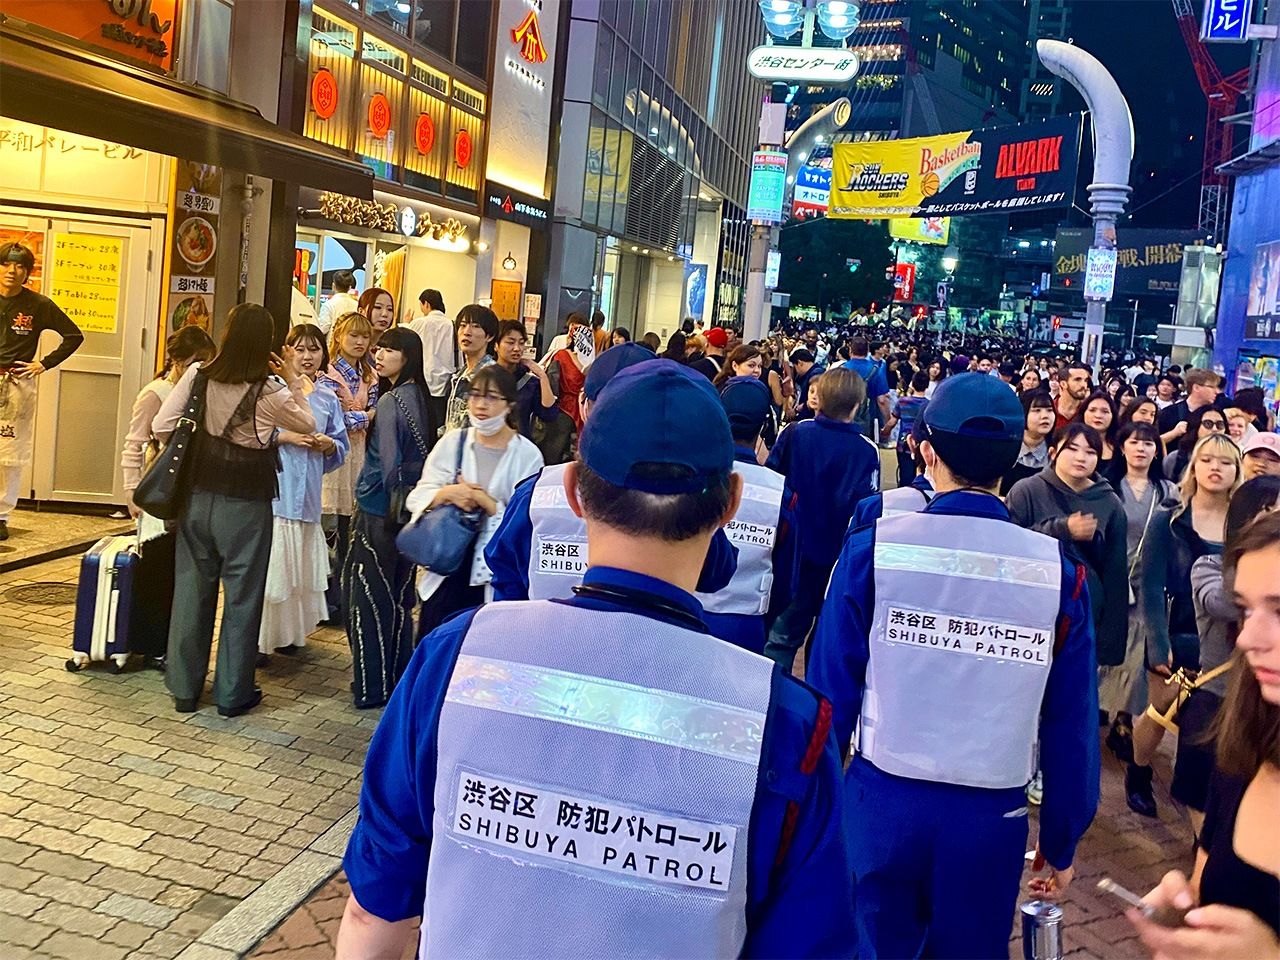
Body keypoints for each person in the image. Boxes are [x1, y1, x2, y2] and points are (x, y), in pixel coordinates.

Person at [336, 359, 856, 960]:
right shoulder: (787, 725)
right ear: (730, 503)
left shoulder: (455, 659)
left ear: (576, 492)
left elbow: (372, 911)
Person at [808, 372, 1099, 959]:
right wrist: (1061, 837)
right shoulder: (1058, 573)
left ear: (926, 450)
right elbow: (1071, 724)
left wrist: (817, 808)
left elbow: (828, 693)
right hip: (991, 812)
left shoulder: (876, 548)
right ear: (1015, 455)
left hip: (881, 796)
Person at [483, 344, 740, 629]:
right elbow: (718, 573)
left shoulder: (534, 493)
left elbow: (505, 580)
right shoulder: (692, 497)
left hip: (538, 652)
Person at [1127, 512, 1280, 960]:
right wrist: (1187, 910)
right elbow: (1206, 880)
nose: (1248, 637)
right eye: (1246, 609)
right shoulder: (1244, 753)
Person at [153, 303, 318, 716]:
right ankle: (231, 694)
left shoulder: (198, 375)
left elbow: (160, 425)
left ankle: (184, 689)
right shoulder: (270, 389)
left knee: (191, 593)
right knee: (242, 600)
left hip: (197, 499)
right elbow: (309, 424)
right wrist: (294, 380)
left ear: (225, 335)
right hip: (246, 506)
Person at [1127, 432, 1242, 817]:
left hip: (1225, 641)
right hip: (1176, 629)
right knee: (1160, 712)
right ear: (1195, 466)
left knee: (1210, 724)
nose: (1216, 468)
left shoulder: (1243, 524)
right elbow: (1150, 583)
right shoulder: (1169, 519)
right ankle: (1138, 772)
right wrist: (1158, 641)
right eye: (1208, 460)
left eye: (1225, 462)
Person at [407, 364, 543, 639]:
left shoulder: (527, 456)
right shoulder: (453, 443)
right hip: (447, 567)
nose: (481, 405)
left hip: (493, 576)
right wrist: (449, 493)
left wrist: (485, 501)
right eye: (475, 395)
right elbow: (418, 496)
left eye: (492, 397)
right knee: (436, 645)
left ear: (510, 404)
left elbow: (527, 522)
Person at [1177, 477, 1280, 828]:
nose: (1249, 638)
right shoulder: (1209, 566)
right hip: (1216, 695)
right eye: (1268, 512)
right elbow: (1220, 602)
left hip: (1259, 707)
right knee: (1208, 813)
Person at [343, 327, 437, 709]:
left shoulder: (390, 400)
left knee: (366, 597)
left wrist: (381, 495)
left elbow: (388, 465)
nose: (379, 355)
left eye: (390, 350)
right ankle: (396, 678)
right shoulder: (422, 397)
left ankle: (370, 686)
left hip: (378, 509)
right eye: (379, 349)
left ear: (408, 356)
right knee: (398, 599)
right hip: (409, 512)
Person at [763, 368, 880, 673]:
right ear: (858, 405)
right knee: (827, 641)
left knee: (781, 638)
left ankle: (769, 700)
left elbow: (773, 483)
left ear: (819, 398)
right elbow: (867, 510)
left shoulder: (795, 433)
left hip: (791, 554)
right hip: (839, 561)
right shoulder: (867, 451)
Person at [120, 326, 216, 668]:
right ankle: (150, 644)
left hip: (187, 492)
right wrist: (132, 492)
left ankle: (167, 643)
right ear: (176, 360)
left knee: (178, 571)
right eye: (194, 361)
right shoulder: (156, 392)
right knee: (157, 569)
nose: (199, 368)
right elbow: (133, 444)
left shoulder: (199, 391)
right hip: (159, 491)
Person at [258, 325, 349, 659]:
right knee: (273, 572)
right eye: (301, 349)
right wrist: (284, 437)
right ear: (287, 351)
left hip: (308, 494)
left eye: (315, 350)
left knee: (297, 575)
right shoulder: (271, 390)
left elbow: (340, 446)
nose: (308, 356)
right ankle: (260, 641)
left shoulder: (326, 397)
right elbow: (253, 434)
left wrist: (328, 445)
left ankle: (291, 635)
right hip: (276, 493)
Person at [1007, 423, 1129, 669]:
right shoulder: (1027, 491)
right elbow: (1009, 548)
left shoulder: (1109, 502)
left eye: (1091, 452)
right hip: (1031, 615)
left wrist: (1111, 643)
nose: (1081, 457)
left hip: (1085, 619)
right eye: (1072, 449)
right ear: (1053, 453)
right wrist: (1061, 530)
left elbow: (1116, 574)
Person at [1097, 422, 1178, 764]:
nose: (1142, 449)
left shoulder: (1169, 490)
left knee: (1138, 652)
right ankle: (1104, 708)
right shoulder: (1108, 488)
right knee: (1113, 650)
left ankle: (1124, 720)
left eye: (1148, 444)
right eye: (1135, 442)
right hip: (1115, 580)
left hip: (1151, 585)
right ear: (1122, 447)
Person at [695, 376, 794, 655]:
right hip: (746, 623)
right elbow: (786, 580)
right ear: (765, 426)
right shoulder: (781, 492)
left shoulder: (692, 473)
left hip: (683, 611)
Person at [0, 242, 85, 542]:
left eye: (20, 266)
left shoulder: (38, 305)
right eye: (7, 264)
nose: (12, 271)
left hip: (15, 384)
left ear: (27, 272)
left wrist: (43, 364)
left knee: (9, 453)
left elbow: (74, 335)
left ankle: (1, 515)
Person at [321, 311, 379, 624]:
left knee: (350, 531)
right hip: (335, 458)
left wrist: (365, 416)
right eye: (352, 335)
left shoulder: (371, 374)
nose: (359, 341)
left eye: (364, 336)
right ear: (339, 337)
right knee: (329, 528)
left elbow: (375, 410)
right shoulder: (328, 374)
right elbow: (335, 420)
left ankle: (344, 601)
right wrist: (366, 416)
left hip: (361, 457)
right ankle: (327, 604)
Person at [493, 320, 556, 441]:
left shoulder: (529, 382)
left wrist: (542, 376)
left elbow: (549, 415)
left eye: (521, 343)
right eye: (510, 342)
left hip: (519, 447)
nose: (517, 348)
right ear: (496, 345)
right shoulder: (486, 377)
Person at [444, 304, 498, 433]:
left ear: (489, 336)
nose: (467, 332)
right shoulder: (459, 376)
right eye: (462, 325)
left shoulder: (492, 376)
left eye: (475, 326)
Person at [406, 289, 455, 430]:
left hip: (423, 383)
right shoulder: (452, 325)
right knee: (440, 426)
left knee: (421, 426)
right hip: (445, 385)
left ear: (426, 304)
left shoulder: (419, 323)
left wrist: (407, 323)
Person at [1000, 390, 1056, 495]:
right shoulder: (1005, 450)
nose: (1045, 416)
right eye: (1037, 410)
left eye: (1049, 410)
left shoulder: (1057, 452)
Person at [841, 337, 896, 440]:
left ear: (850, 350)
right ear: (867, 351)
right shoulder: (876, 370)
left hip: (843, 416)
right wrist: (888, 422)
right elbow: (882, 400)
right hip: (867, 416)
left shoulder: (842, 369)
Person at [1158, 367, 1223, 447]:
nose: (1217, 391)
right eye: (1212, 387)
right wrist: (1174, 433)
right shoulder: (1169, 413)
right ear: (1196, 388)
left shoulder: (1217, 414)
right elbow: (1153, 443)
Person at [1164, 406, 1228, 484]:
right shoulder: (1175, 458)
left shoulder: (1231, 458)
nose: (1215, 429)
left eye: (1220, 424)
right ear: (1196, 427)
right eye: (1208, 424)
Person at [892, 371, 929, 487]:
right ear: (927, 386)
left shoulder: (902, 402)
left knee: (905, 476)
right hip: (921, 446)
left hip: (903, 445)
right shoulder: (929, 405)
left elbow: (892, 421)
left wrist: (884, 432)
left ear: (912, 384)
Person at [1079, 390, 1119, 470]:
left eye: (1105, 411)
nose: (1098, 415)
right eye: (1092, 410)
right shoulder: (1071, 441)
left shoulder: (1120, 446)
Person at [1054, 362, 1092, 432]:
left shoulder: (1088, 412)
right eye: (1077, 380)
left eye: (1085, 380)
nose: (1084, 385)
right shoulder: (1050, 409)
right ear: (1063, 384)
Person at [317, 270, 358, 335]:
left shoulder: (328, 305)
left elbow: (323, 329)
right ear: (350, 287)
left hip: (333, 343)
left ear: (333, 286)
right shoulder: (357, 305)